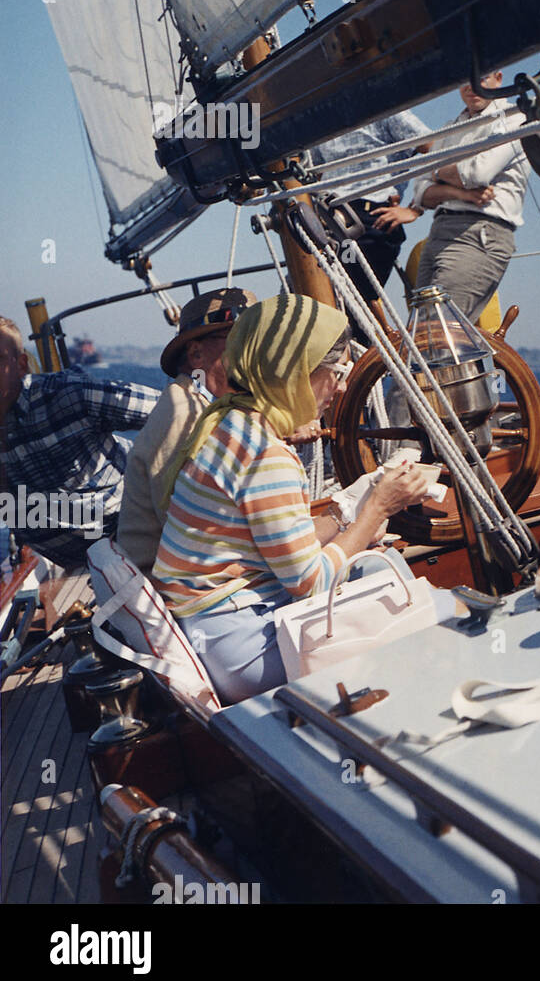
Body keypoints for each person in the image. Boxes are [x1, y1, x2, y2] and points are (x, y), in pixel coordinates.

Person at [152, 295, 428, 704]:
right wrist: (377, 510)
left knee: (381, 577)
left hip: (216, 634)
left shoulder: (230, 423)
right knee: (407, 597)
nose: (343, 383)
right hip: (245, 650)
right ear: (294, 370)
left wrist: (348, 508)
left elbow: (279, 548)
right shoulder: (266, 454)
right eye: (337, 370)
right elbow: (310, 583)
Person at [0, 315, 158, 571]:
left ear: (20, 365)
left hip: (140, 541)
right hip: (80, 565)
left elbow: (174, 411)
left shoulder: (67, 396)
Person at [116, 289, 255, 574]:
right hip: (167, 584)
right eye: (241, 339)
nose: (254, 352)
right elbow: (189, 526)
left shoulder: (199, 403)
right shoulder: (184, 413)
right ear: (195, 353)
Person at [373, 71, 529, 323]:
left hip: (479, 233)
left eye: (482, 76)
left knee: (439, 330)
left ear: (499, 78)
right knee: (422, 331)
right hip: (440, 232)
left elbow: (478, 173)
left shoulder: (515, 119)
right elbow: (422, 192)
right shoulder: (451, 128)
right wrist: (459, 191)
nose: (471, 86)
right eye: (464, 79)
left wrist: (438, 172)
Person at [307, 111, 432, 301]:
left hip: (370, 221)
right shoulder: (323, 115)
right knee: (312, 298)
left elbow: (436, 147)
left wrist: (416, 208)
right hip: (328, 220)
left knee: (352, 303)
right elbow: (313, 172)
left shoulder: (386, 107)